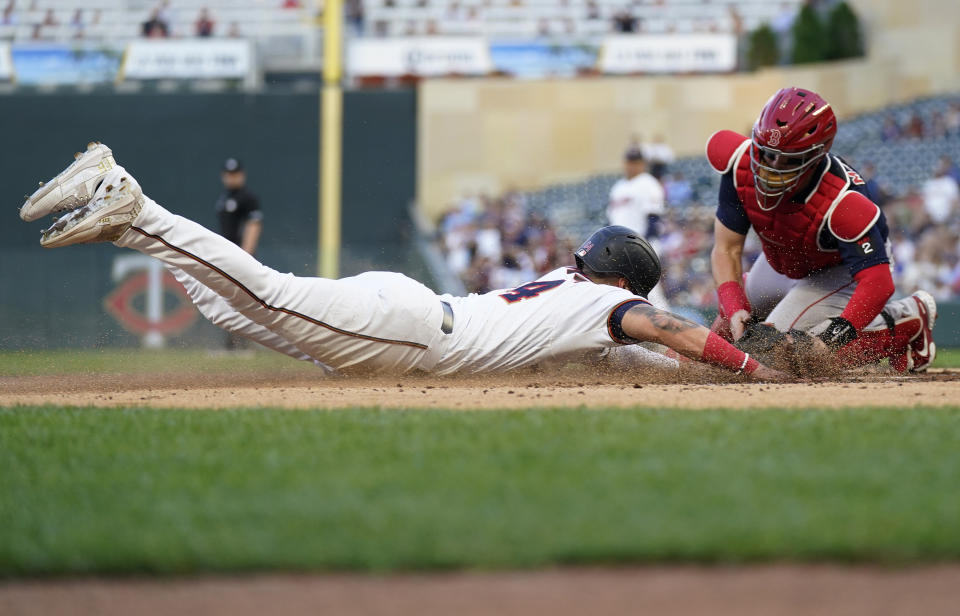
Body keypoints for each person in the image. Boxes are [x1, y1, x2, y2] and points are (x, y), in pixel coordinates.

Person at [19, 142, 790, 382]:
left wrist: (708, 360)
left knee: (237, 310)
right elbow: (669, 333)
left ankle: (127, 227)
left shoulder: (573, 294)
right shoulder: (607, 309)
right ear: (626, 281)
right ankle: (133, 205)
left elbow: (658, 361)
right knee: (268, 293)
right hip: (416, 332)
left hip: (410, 312)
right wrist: (754, 370)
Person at [707, 87, 938, 374]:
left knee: (780, 358)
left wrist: (830, 339)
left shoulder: (843, 202)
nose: (772, 168)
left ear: (816, 157)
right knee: (726, 328)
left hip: (839, 271)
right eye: (767, 154)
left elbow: (878, 282)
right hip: (785, 258)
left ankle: (906, 321)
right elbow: (726, 248)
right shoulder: (738, 163)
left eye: (789, 160)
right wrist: (735, 307)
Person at [606, 144, 670, 309]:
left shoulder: (649, 184)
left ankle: (666, 327)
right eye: (630, 161)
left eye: (636, 161)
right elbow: (610, 220)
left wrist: (642, 247)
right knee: (623, 291)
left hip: (640, 245)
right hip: (619, 248)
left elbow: (654, 220)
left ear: (643, 164)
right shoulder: (618, 187)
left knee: (650, 291)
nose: (632, 165)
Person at [215, 157, 263, 349]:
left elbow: (253, 225)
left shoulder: (247, 198)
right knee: (229, 300)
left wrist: (246, 254)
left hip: (239, 255)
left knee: (242, 300)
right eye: (228, 174)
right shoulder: (225, 198)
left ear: (241, 175)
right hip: (226, 255)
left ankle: (242, 344)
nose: (232, 178)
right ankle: (232, 344)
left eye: (235, 174)